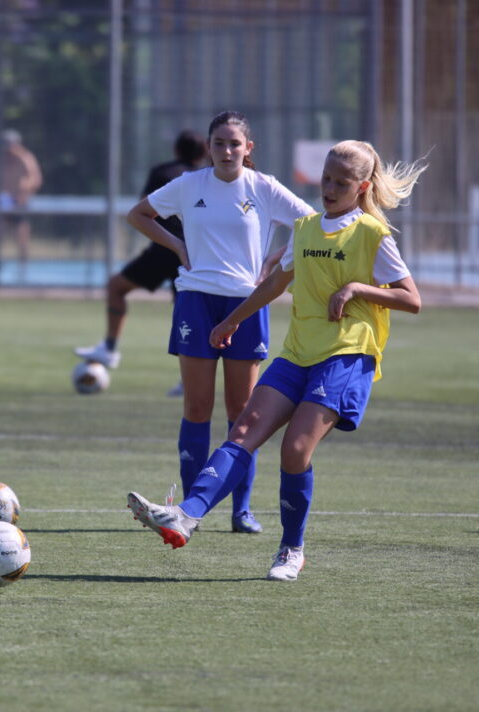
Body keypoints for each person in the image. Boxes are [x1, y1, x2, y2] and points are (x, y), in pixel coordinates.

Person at [127, 139, 427, 581]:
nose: (329, 188)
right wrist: (231, 321)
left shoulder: (372, 234)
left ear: (362, 187)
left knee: (295, 449)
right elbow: (273, 285)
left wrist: (357, 289)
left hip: (346, 355)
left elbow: (412, 299)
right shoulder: (305, 228)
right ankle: (186, 516)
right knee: (243, 430)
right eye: (326, 178)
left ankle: (291, 550)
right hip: (298, 352)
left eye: (342, 183)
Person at [122, 111, 314, 535]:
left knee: (242, 414)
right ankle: (189, 511)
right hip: (195, 301)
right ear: (208, 148)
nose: (227, 151)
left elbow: (312, 225)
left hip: (246, 304)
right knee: (196, 407)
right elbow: (138, 215)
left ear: (249, 148)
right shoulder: (189, 185)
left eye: (234, 143)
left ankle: (241, 510)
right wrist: (177, 246)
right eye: (219, 143)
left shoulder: (264, 188)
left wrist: (274, 260)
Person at [74, 129, 208, 377]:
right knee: (188, 315)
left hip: (165, 249)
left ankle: (110, 348)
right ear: (204, 152)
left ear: (176, 150)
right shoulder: (206, 178)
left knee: (116, 287)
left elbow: (145, 208)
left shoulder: (163, 172)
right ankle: (190, 378)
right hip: (195, 254)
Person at [0, 128, 41, 280]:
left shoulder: (25, 158)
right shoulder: (1, 159)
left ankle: (22, 268)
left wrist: (25, 190)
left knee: (21, 237)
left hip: (19, 204)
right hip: (5, 203)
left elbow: (36, 179)